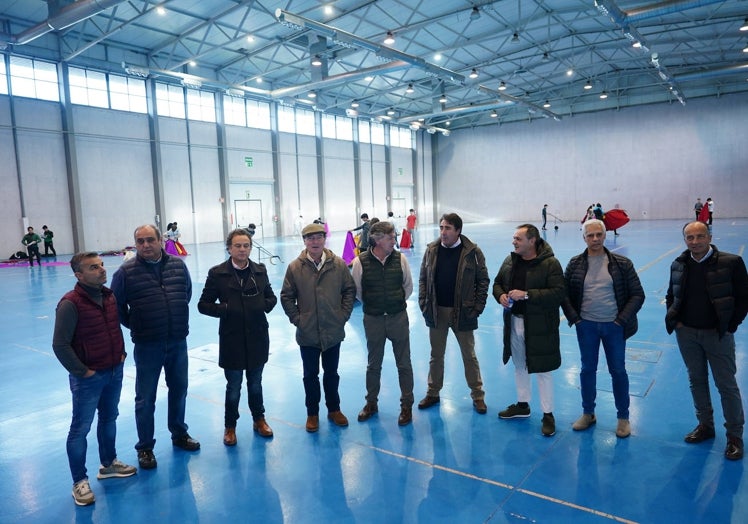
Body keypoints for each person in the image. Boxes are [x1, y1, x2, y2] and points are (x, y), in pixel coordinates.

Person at [111, 225, 199, 470]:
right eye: (140, 241)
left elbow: (186, 293)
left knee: (179, 389)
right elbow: (117, 308)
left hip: (177, 341)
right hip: (148, 344)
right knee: (145, 397)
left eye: (150, 240)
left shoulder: (178, 266)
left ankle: (179, 433)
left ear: (161, 241)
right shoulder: (125, 273)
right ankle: (145, 447)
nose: (145, 245)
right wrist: (139, 325)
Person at [53, 252, 137, 506]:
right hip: (89, 378)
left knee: (109, 418)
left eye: (101, 265)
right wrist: (83, 372)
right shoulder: (70, 303)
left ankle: (109, 463)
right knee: (80, 429)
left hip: (113, 370)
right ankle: (79, 481)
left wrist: (121, 355)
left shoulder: (109, 296)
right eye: (93, 267)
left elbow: (114, 329)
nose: (101, 270)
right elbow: (60, 345)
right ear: (79, 275)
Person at [666, 221, 748, 460]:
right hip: (687, 334)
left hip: (718, 335)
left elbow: (744, 298)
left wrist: (730, 325)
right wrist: (677, 322)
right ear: (685, 240)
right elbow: (672, 294)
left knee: (726, 385)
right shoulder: (679, 264)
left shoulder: (731, 263)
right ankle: (705, 426)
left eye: (700, 236)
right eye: (690, 238)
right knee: (697, 380)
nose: (695, 242)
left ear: (710, 236)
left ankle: (734, 436)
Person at [561, 219, 645, 438]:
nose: (595, 239)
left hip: (614, 327)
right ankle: (588, 413)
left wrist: (620, 321)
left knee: (618, 370)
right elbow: (565, 294)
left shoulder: (622, 263)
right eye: (590, 235)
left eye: (599, 234)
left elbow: (637, 294)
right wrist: (576, 319)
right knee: (587, 369)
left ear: (605, 235)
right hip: (586, 326)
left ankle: (623, 417)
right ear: (584, 238)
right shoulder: (575, 264)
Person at [198, 229, 277, 444]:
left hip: (258, 336)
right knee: (233, 387)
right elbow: (203, 305)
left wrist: (262, 305)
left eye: (246, 245)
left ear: (250, 248)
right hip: (232, 338)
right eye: (238, 246)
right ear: (229, 248)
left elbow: (271, 297)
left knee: (255, 383)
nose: (242, 249)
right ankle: (230, 426)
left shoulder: (259, 271)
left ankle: (259, 419)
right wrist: (226, 309)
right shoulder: (217, 273)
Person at [280, 223, 356, 433]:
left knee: (332, 373)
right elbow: (286, 296)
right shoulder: (295, 267)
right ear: (304, 241)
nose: (315, 242)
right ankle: (312, 414)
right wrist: (298, 319)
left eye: (319, 237)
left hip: (333, 330)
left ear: (325, 239)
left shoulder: (338, 264)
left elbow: (349, 290)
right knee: (310, 375)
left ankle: (334, 409)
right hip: (308, 332)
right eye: (310, 238)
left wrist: (342, 316)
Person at [493, 224, 565, 436]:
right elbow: (497, 283)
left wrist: (527, 295)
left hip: (540, 324)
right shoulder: (510, 261)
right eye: (514, 238)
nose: (514, 242)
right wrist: (501, 296)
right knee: (519, 365)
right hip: (514, 321)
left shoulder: (550, 263)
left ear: (532, 241)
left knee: (542, 370)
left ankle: (548, 414)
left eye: (518, 239)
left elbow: (558, 293)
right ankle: (523, 405)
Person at [417, 213, 489, 414]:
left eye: (448, 228)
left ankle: (477, 395)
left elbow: (483, 280)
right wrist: (424, 303)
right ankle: (433, 392)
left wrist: (477, 307)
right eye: (441, 227)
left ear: (458, 231)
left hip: (463, 311)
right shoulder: (432, 250)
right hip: (436, 311)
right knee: (436, 355)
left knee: (469, 355)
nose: (443, 232)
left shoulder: (472, 252)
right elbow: (423, 277)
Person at [351, 221, 414, 426]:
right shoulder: (361, 262)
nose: (394, 241)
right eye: (390, 238)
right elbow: (358, 291)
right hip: (373, 319)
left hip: (398, 318)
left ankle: (406, 406)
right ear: (377, 239)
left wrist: (393, 304)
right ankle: (371, 403)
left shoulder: (400, 259)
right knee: (373, 364)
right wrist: (377, 306)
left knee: (404, 363)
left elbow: (408, 287)